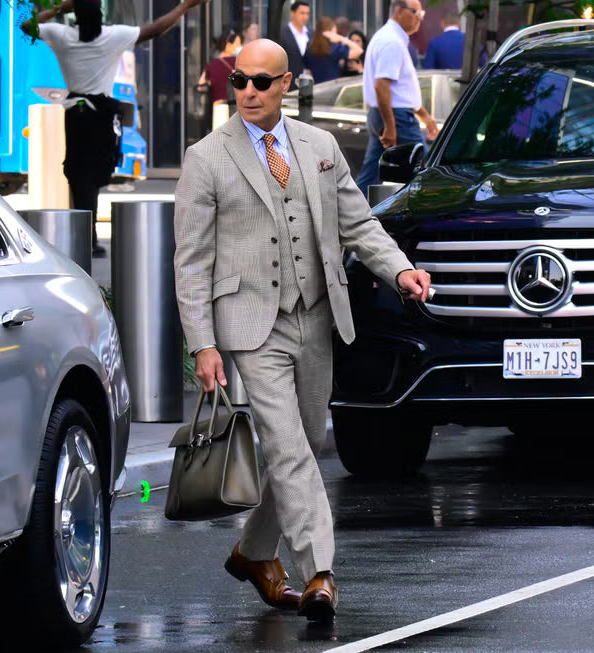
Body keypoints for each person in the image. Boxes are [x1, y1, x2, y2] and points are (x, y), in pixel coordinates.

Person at [173, 39, 431, 623]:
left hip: (316, 314)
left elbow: (359, 223)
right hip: (249, 326)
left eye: (262, 82)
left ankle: (254, 552)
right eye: (239, 81)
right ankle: (320, 571)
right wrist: (203, 343)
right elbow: (190, 262)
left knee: (306, 444)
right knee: (287, 448)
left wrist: (400, 271)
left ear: (286, 83)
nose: (248, 93)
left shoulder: (319, 146)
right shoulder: (207, 156)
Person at [22, 0, 208, 258]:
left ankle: (85, 234)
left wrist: (58, 9)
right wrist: (183, 7)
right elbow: (153, 30)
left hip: (75, 113)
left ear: (75, 15)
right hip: (101, 115)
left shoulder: (62, 35)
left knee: (78, 175)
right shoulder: (112, 37)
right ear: (100, 16)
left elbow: (27, 26)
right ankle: (88, 236)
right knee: (95, 175)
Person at [355, 0, 439, 194]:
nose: (419, 18)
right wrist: (391, 125)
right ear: (399, 12)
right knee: (425, 173)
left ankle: (348, 217)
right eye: (415, 12)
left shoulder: (388, 37)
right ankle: (430, 219)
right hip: (396, 117)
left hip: (385, 114)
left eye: (421, 14)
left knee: (370, 175)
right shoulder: (392, 41)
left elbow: (400, 88)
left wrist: (424, 115)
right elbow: (382, 85)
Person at [303, 17, 363, 84]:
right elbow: (359, 51)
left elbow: (307, 71)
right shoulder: (334, 48)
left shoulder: (309, 47)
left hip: (317, 88)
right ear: (331, 32)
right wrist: (341, 38)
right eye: (335, 32)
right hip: (332, 87)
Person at [196, 31, 241, 104]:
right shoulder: (241, 62)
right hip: (237, 108)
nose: (240, 47)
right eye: (238, 44)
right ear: (229, 45)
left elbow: (200, 87)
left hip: (219, 108)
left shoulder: (211, 65)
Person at [280, 1, 312, 78]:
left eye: (307, 13)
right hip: (290, 81)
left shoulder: (311, 34)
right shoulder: (283, 34)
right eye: (302, 13)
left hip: (310, 81)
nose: (305, 17)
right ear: (292, 13)